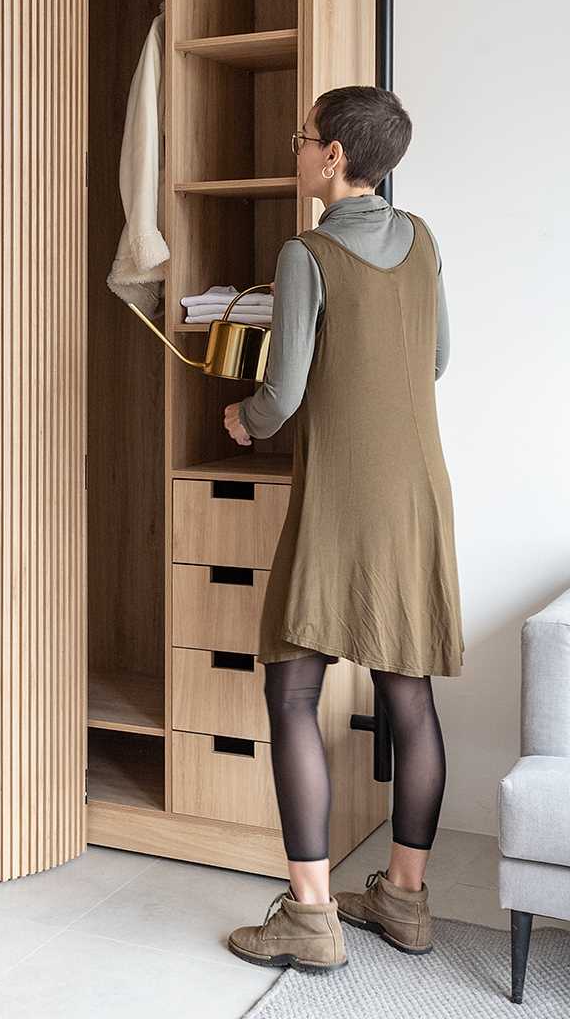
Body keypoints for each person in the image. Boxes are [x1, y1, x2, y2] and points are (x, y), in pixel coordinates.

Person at [223, 86, 464, 975]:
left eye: (304, 140)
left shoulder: (307, 253)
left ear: (333, 160)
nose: (297, 152)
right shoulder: (425, 239)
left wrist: (243, 421)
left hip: (342, 497)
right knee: (408, 695)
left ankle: (311, 914)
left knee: (291, 691)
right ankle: (404, 899)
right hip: (419, 494)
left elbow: (281, 398)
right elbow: (435, 359)